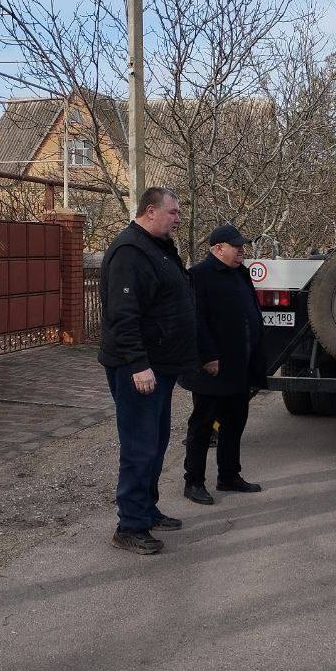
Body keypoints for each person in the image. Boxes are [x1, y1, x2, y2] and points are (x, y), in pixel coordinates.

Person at [98, 187, 197, 555]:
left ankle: (146, 509)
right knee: (139, 446)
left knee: (155, 443)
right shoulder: (129, 252)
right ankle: (130, 526)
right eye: (172, 212)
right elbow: (122, 316)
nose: (177, 217)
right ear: (150, 211)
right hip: (137, 369)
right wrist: (139, 365)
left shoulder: (158, 247)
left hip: (161, 366)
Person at [182, 223, 267, 506]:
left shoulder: (239, 274)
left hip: (239, 365)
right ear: (218, 248)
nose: (242, 250)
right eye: (236, 246)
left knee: (234, 422)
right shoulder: (199, 276)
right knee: (203, 425)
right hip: (212, 368)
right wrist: (208, 357)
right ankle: (193, 482)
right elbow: (195, 321)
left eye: (242, 246)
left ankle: (229, 475)